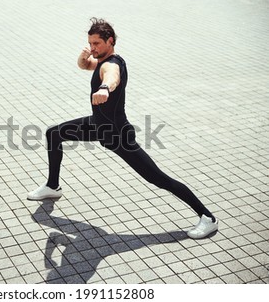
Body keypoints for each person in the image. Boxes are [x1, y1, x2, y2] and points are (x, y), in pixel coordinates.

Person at [27, 18, 218, 239]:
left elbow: (112, 77)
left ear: (110, 41)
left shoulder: (112, 64)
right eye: (90, 43)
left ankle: (207, 217)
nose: (92, 48)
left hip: (117, 135)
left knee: (158, 178)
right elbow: (88, 65)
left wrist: (105, 88)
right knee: (54, 133)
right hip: (98, 127)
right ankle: (53, 186)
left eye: (97, 43)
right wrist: (82, 60)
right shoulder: (101, 59)